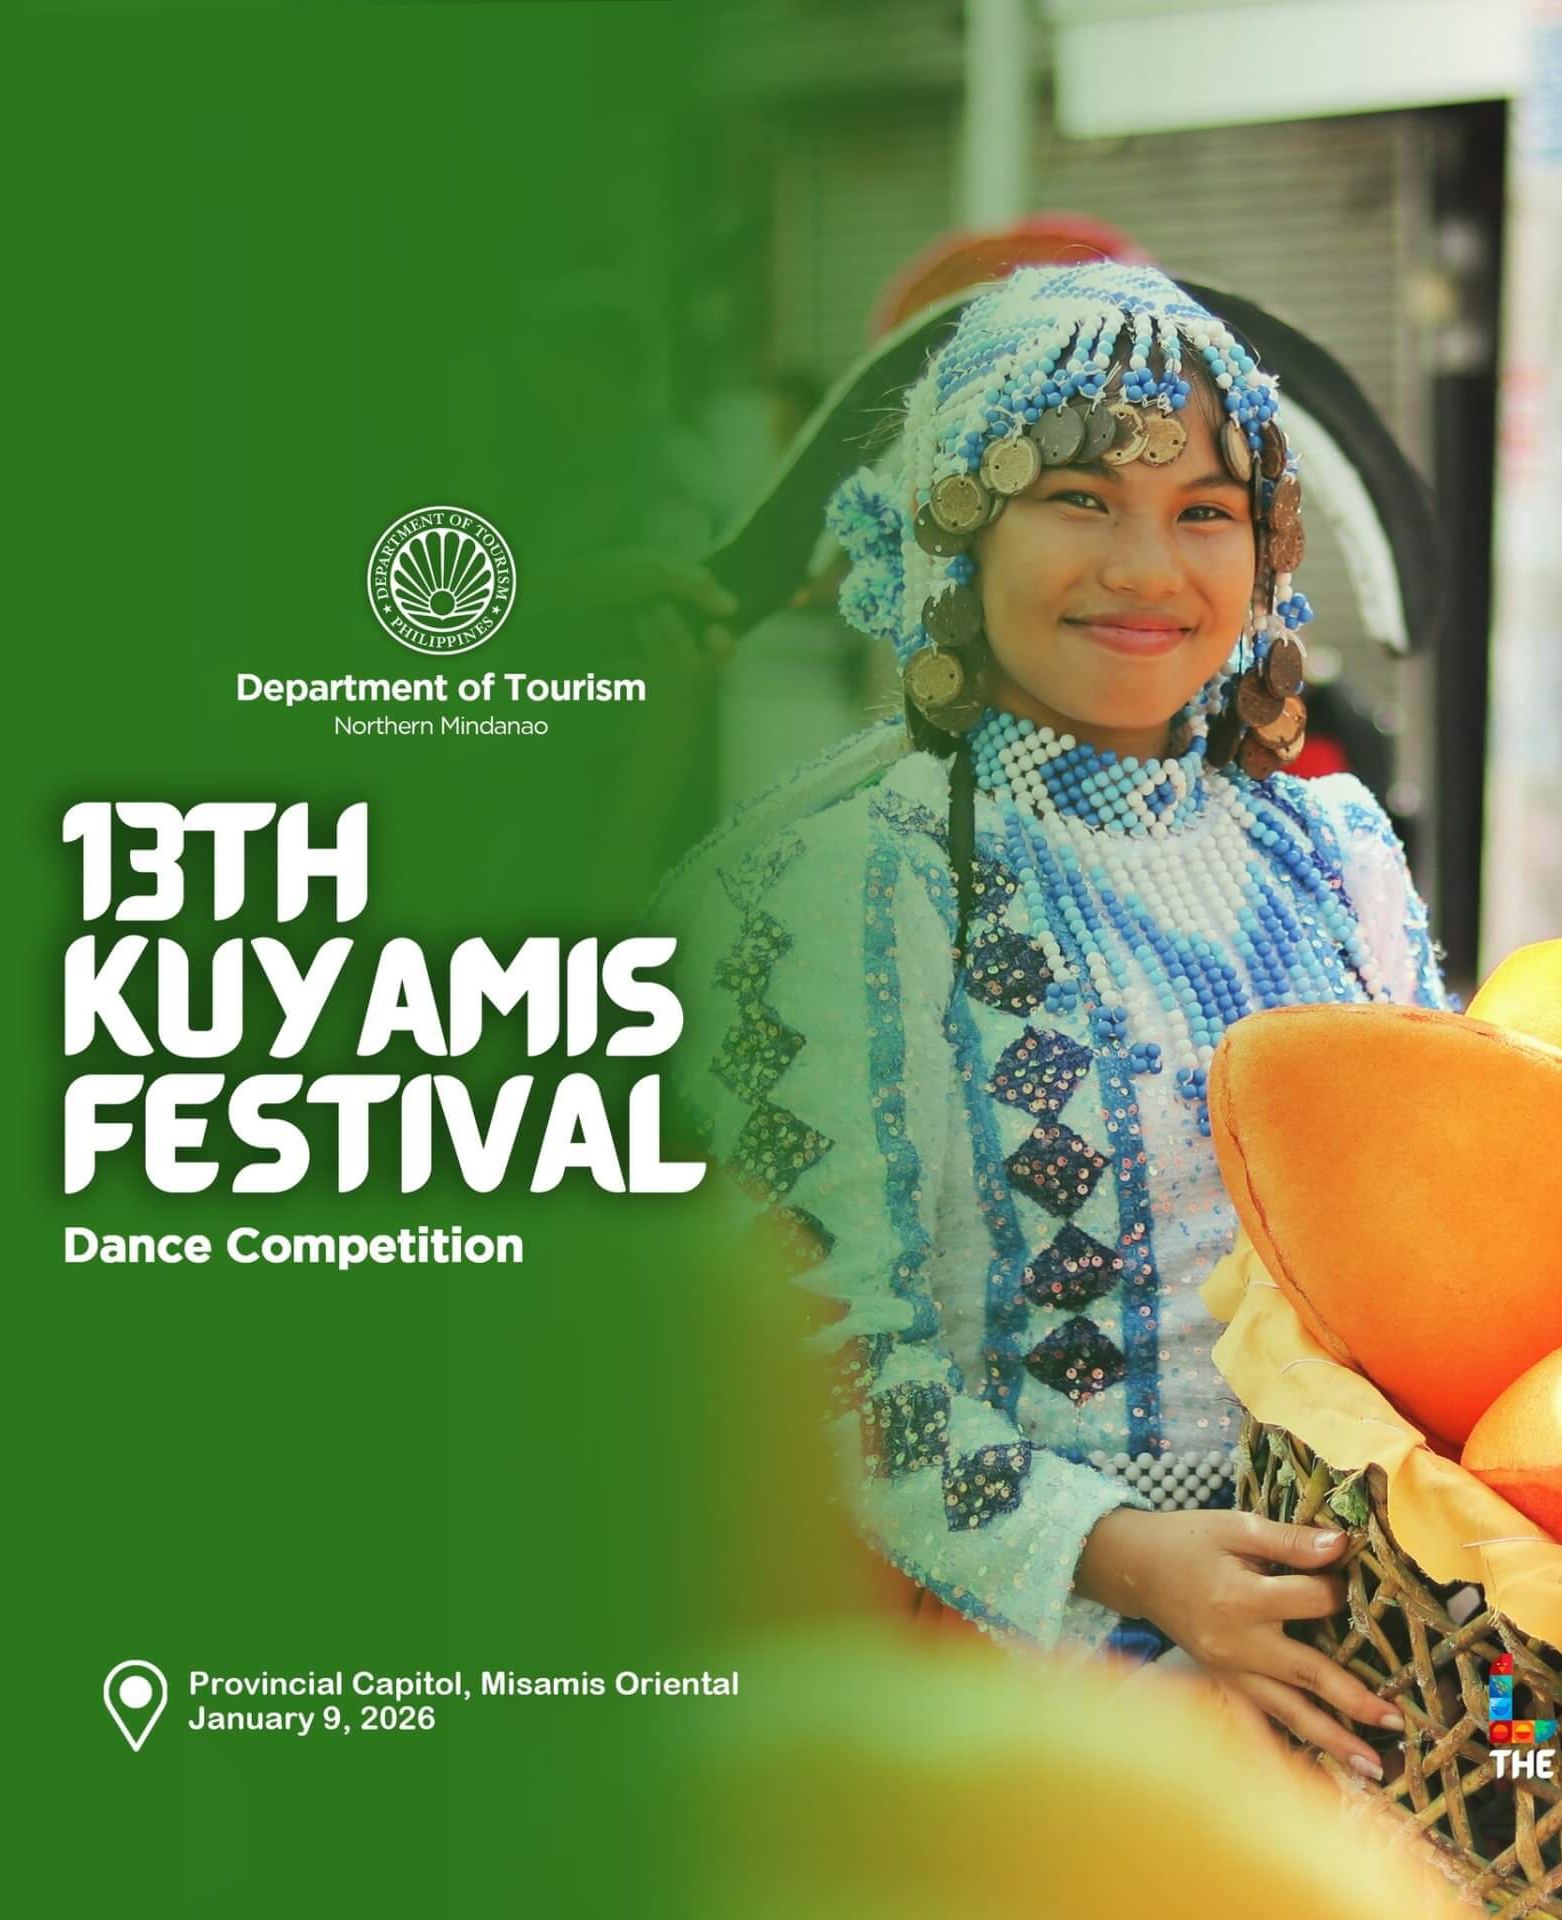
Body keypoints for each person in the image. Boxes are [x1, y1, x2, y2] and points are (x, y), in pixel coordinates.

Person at [660, 263, 1445, 1780]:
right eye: (1079, 497)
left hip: (1361, 1653)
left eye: (1206, 511)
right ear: (954, 526)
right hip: (1005, 1677)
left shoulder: (1333, 855)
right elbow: (823, 1357)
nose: (1148, 566)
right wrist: (1136, 1565)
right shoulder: (850, 881)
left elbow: (1445, 1258)